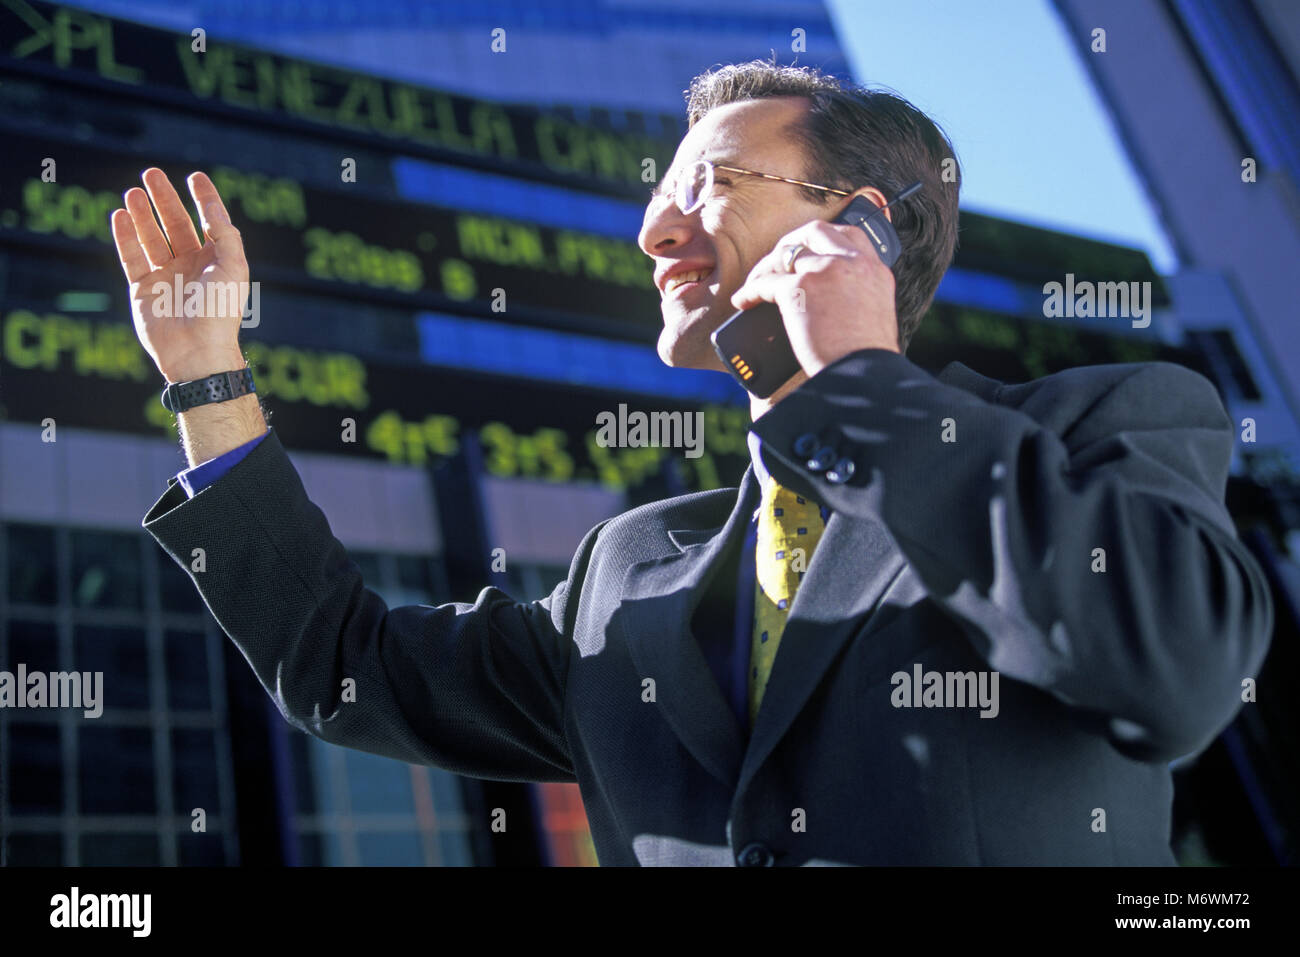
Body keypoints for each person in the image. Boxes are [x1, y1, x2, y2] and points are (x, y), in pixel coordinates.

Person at [112, 61, 1273, 866]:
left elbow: (1166, 672)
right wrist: (208, 376)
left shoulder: (1102, 423)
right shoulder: (629, 567)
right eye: (660, 198)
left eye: (709, 184)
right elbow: (343, 665)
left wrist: (858, 378)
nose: (655, 231)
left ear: (857, 224)